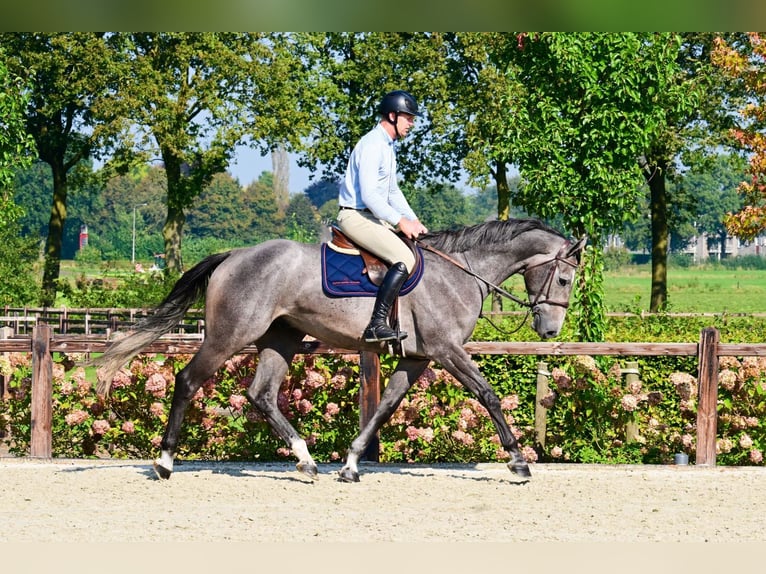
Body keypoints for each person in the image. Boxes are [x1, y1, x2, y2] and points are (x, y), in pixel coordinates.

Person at [337, 89, 429, 343]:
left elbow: (391, 191)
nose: (412, 124)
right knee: (403, 258)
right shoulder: (372, 145)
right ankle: (377, 324)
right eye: (408, 118)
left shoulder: (387, 147)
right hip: (355, 215)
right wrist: (400, 222)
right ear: (392, 115)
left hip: (371, 217)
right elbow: (370, 195)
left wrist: (413, 219)